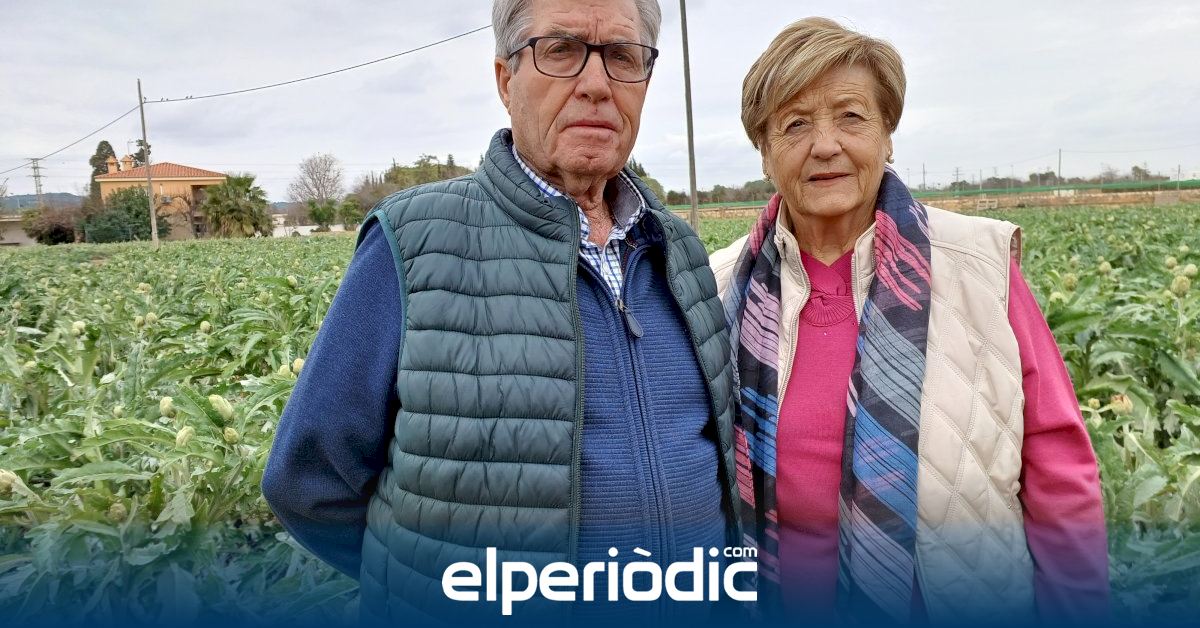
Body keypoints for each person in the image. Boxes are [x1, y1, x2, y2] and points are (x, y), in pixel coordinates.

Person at [262, 0, 739, 622]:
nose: (596, 84)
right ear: (505, 78)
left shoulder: (679, 249)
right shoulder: (414, 241)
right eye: (561, 50)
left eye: (623, 56)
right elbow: (310, 482)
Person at [710, 17, 1108, 625]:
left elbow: (1059, 469)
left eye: (851, 116)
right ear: (765, 152)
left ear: (888, 136)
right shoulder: (718, 288)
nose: (825, 144)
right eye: (795, 124)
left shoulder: (979, 268)